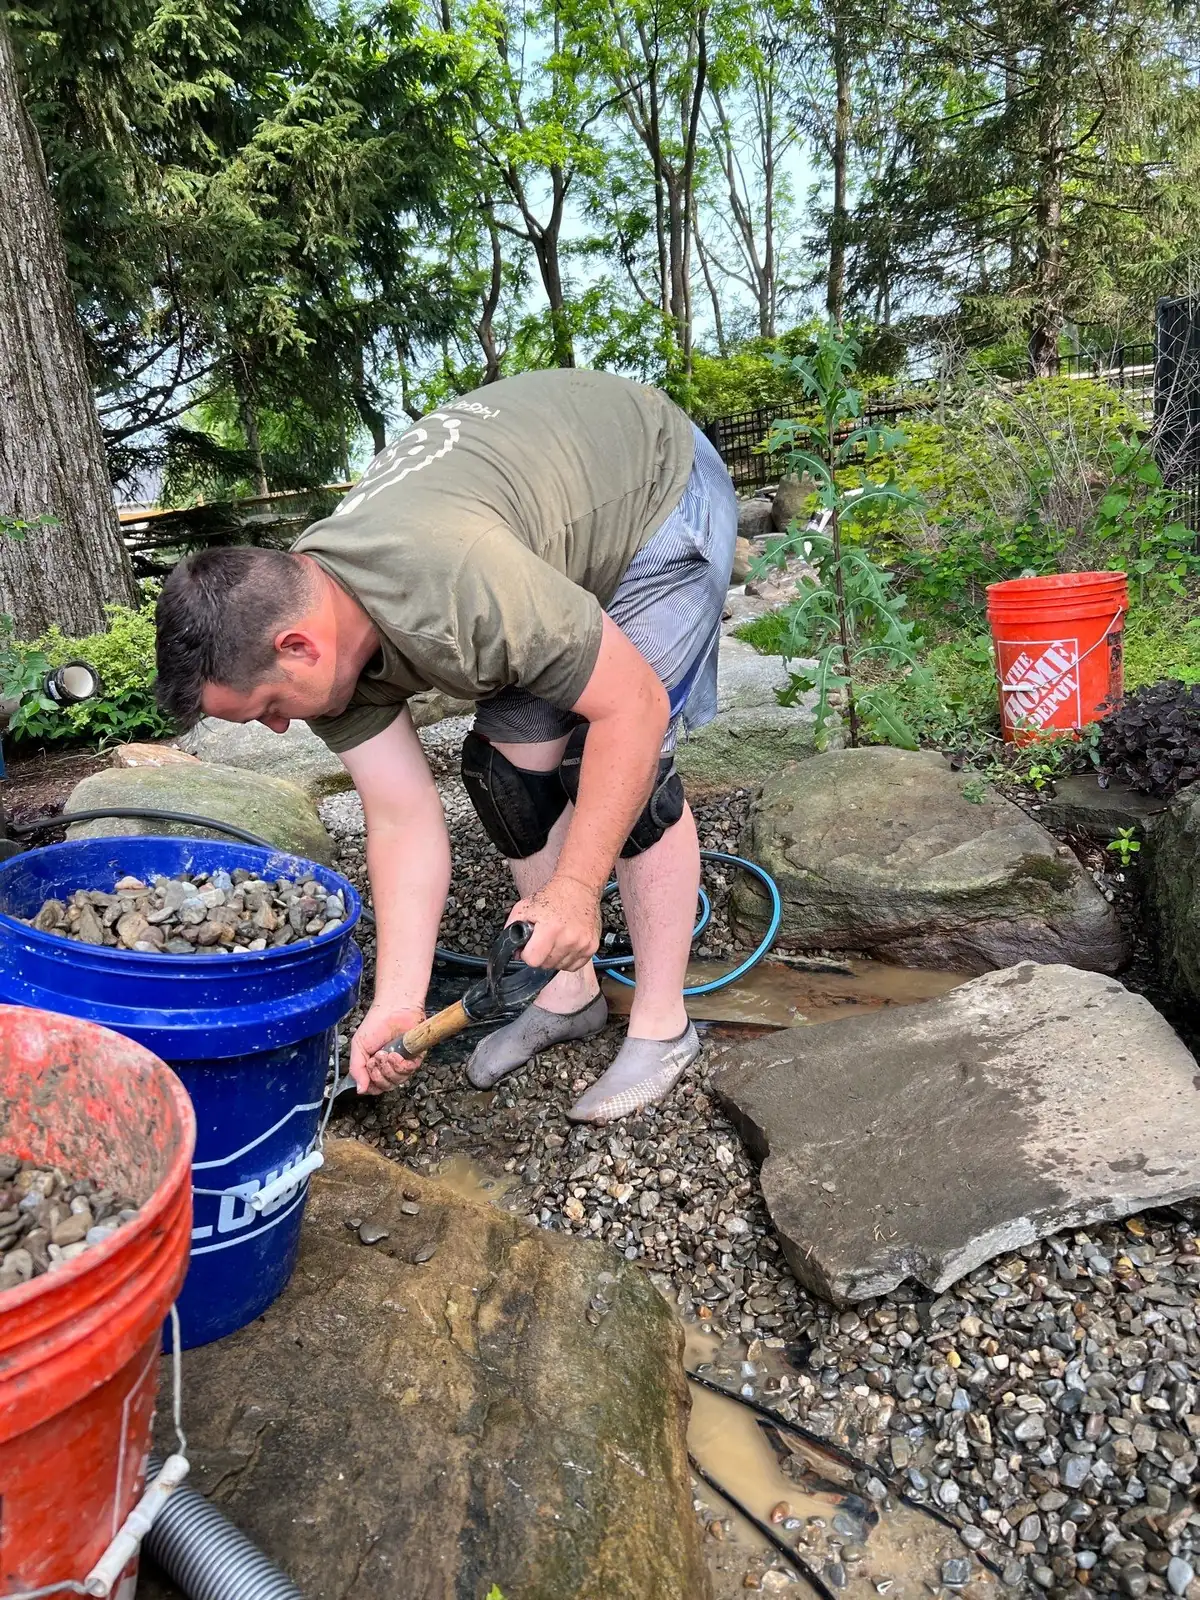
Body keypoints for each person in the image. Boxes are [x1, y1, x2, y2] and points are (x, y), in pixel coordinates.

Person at [154, 368, 738, 1122]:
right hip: (540, 547)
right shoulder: (309, 626)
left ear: (297, 647)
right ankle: (568, 991)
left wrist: (574, 890)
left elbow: (634, 705)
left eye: (267, 708)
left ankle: (663, 1027)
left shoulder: (451, 588)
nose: (277, 728)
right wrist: (398, 1001)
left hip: (655, 488)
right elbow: (399, 816)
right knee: (503, 773)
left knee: (614, 767)